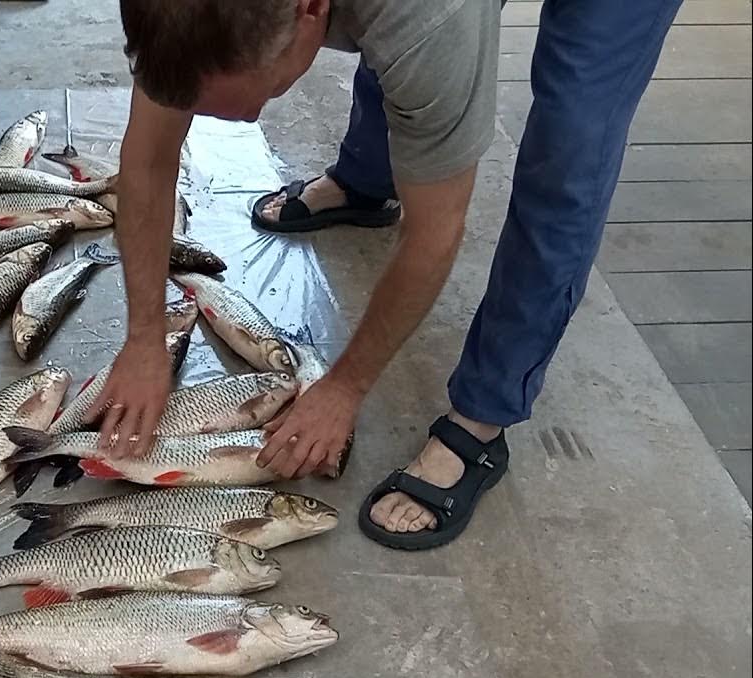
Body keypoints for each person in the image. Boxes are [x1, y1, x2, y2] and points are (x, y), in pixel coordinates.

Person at [87, 0, 683, 549]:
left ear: (310, 9)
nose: (247, 120)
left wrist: (344, 387)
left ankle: (484, 412)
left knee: (573, 139)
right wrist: (144, 337)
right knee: (405, 56)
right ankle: (367, 180)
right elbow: (147, 161)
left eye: (264, 93)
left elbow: (434, 233)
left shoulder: (432, 18)